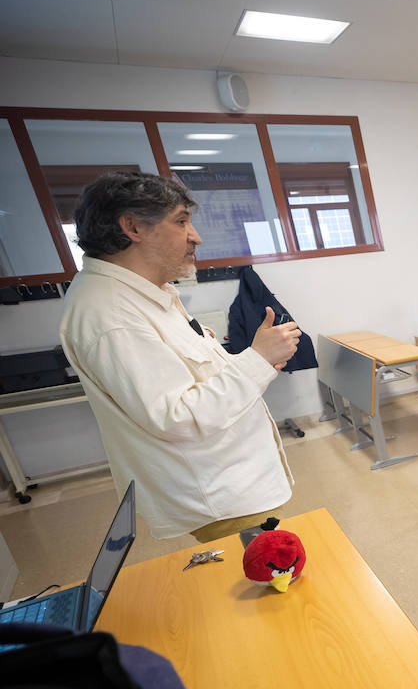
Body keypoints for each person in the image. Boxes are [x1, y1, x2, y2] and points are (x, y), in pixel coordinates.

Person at [58, 171, 299, 541]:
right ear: (133, 227)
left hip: (237, 479)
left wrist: (257, 360)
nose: (196, 237)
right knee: (268, 581)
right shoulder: (112, 313)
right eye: (182, 221)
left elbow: (193, 376)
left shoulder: (147, 294)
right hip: (221, 494)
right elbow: (176, 416)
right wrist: (256, 360)